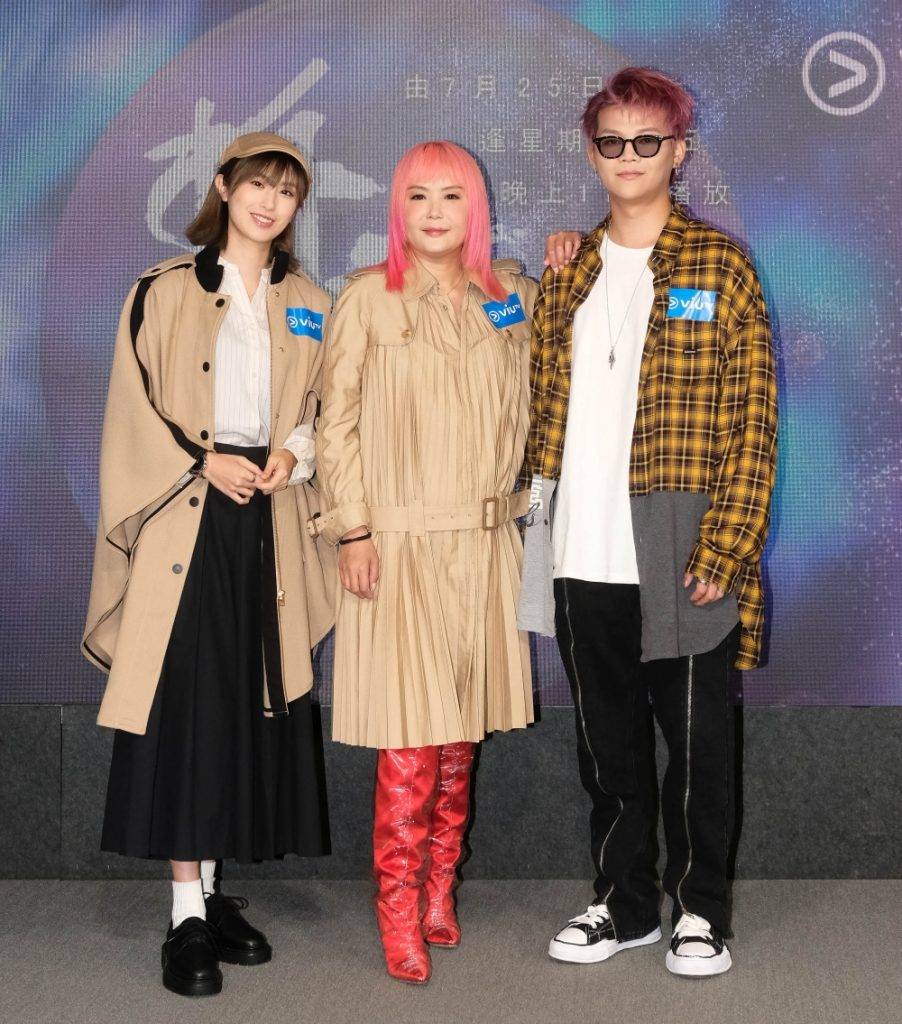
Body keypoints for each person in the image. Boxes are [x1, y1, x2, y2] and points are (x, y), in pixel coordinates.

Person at [523, 68, 777, 977]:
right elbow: (539, 398)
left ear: (679, 151)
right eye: (611, 141)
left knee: (699, 746)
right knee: (609, 748)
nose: (628, 156)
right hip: (580, 548)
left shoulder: (721, 266)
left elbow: (755, 420)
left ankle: (700, 910)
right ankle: (624, 903)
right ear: (591, 153)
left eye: (647, 141)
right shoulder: (567, 272)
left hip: (683, 544)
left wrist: (727, 547)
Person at [82, 132, 335, 997]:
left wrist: (294, 454)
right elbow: (132, 407)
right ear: (223, 188)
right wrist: (201, 461)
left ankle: (216, 893)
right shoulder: (162, 290)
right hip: (186, 513)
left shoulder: (311, 300)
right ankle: (184, 912)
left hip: (269, 516)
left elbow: (326, 407)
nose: (269, 202)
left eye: (287, 191)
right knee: (187, 708)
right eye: (256, 184)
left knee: (248, 704)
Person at [311, 140, 535, 984]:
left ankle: (441, 888)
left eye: (452, 195)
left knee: (460, 738)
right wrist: (353, 531)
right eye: (418, 195)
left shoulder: (510, 298)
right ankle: (397, 909)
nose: (435, 211)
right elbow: (336, 424)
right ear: (397, 209)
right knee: (409, 743)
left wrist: (563, 253)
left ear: (477, 208)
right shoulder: (367, 299)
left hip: (484, 545)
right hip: (397, 546)